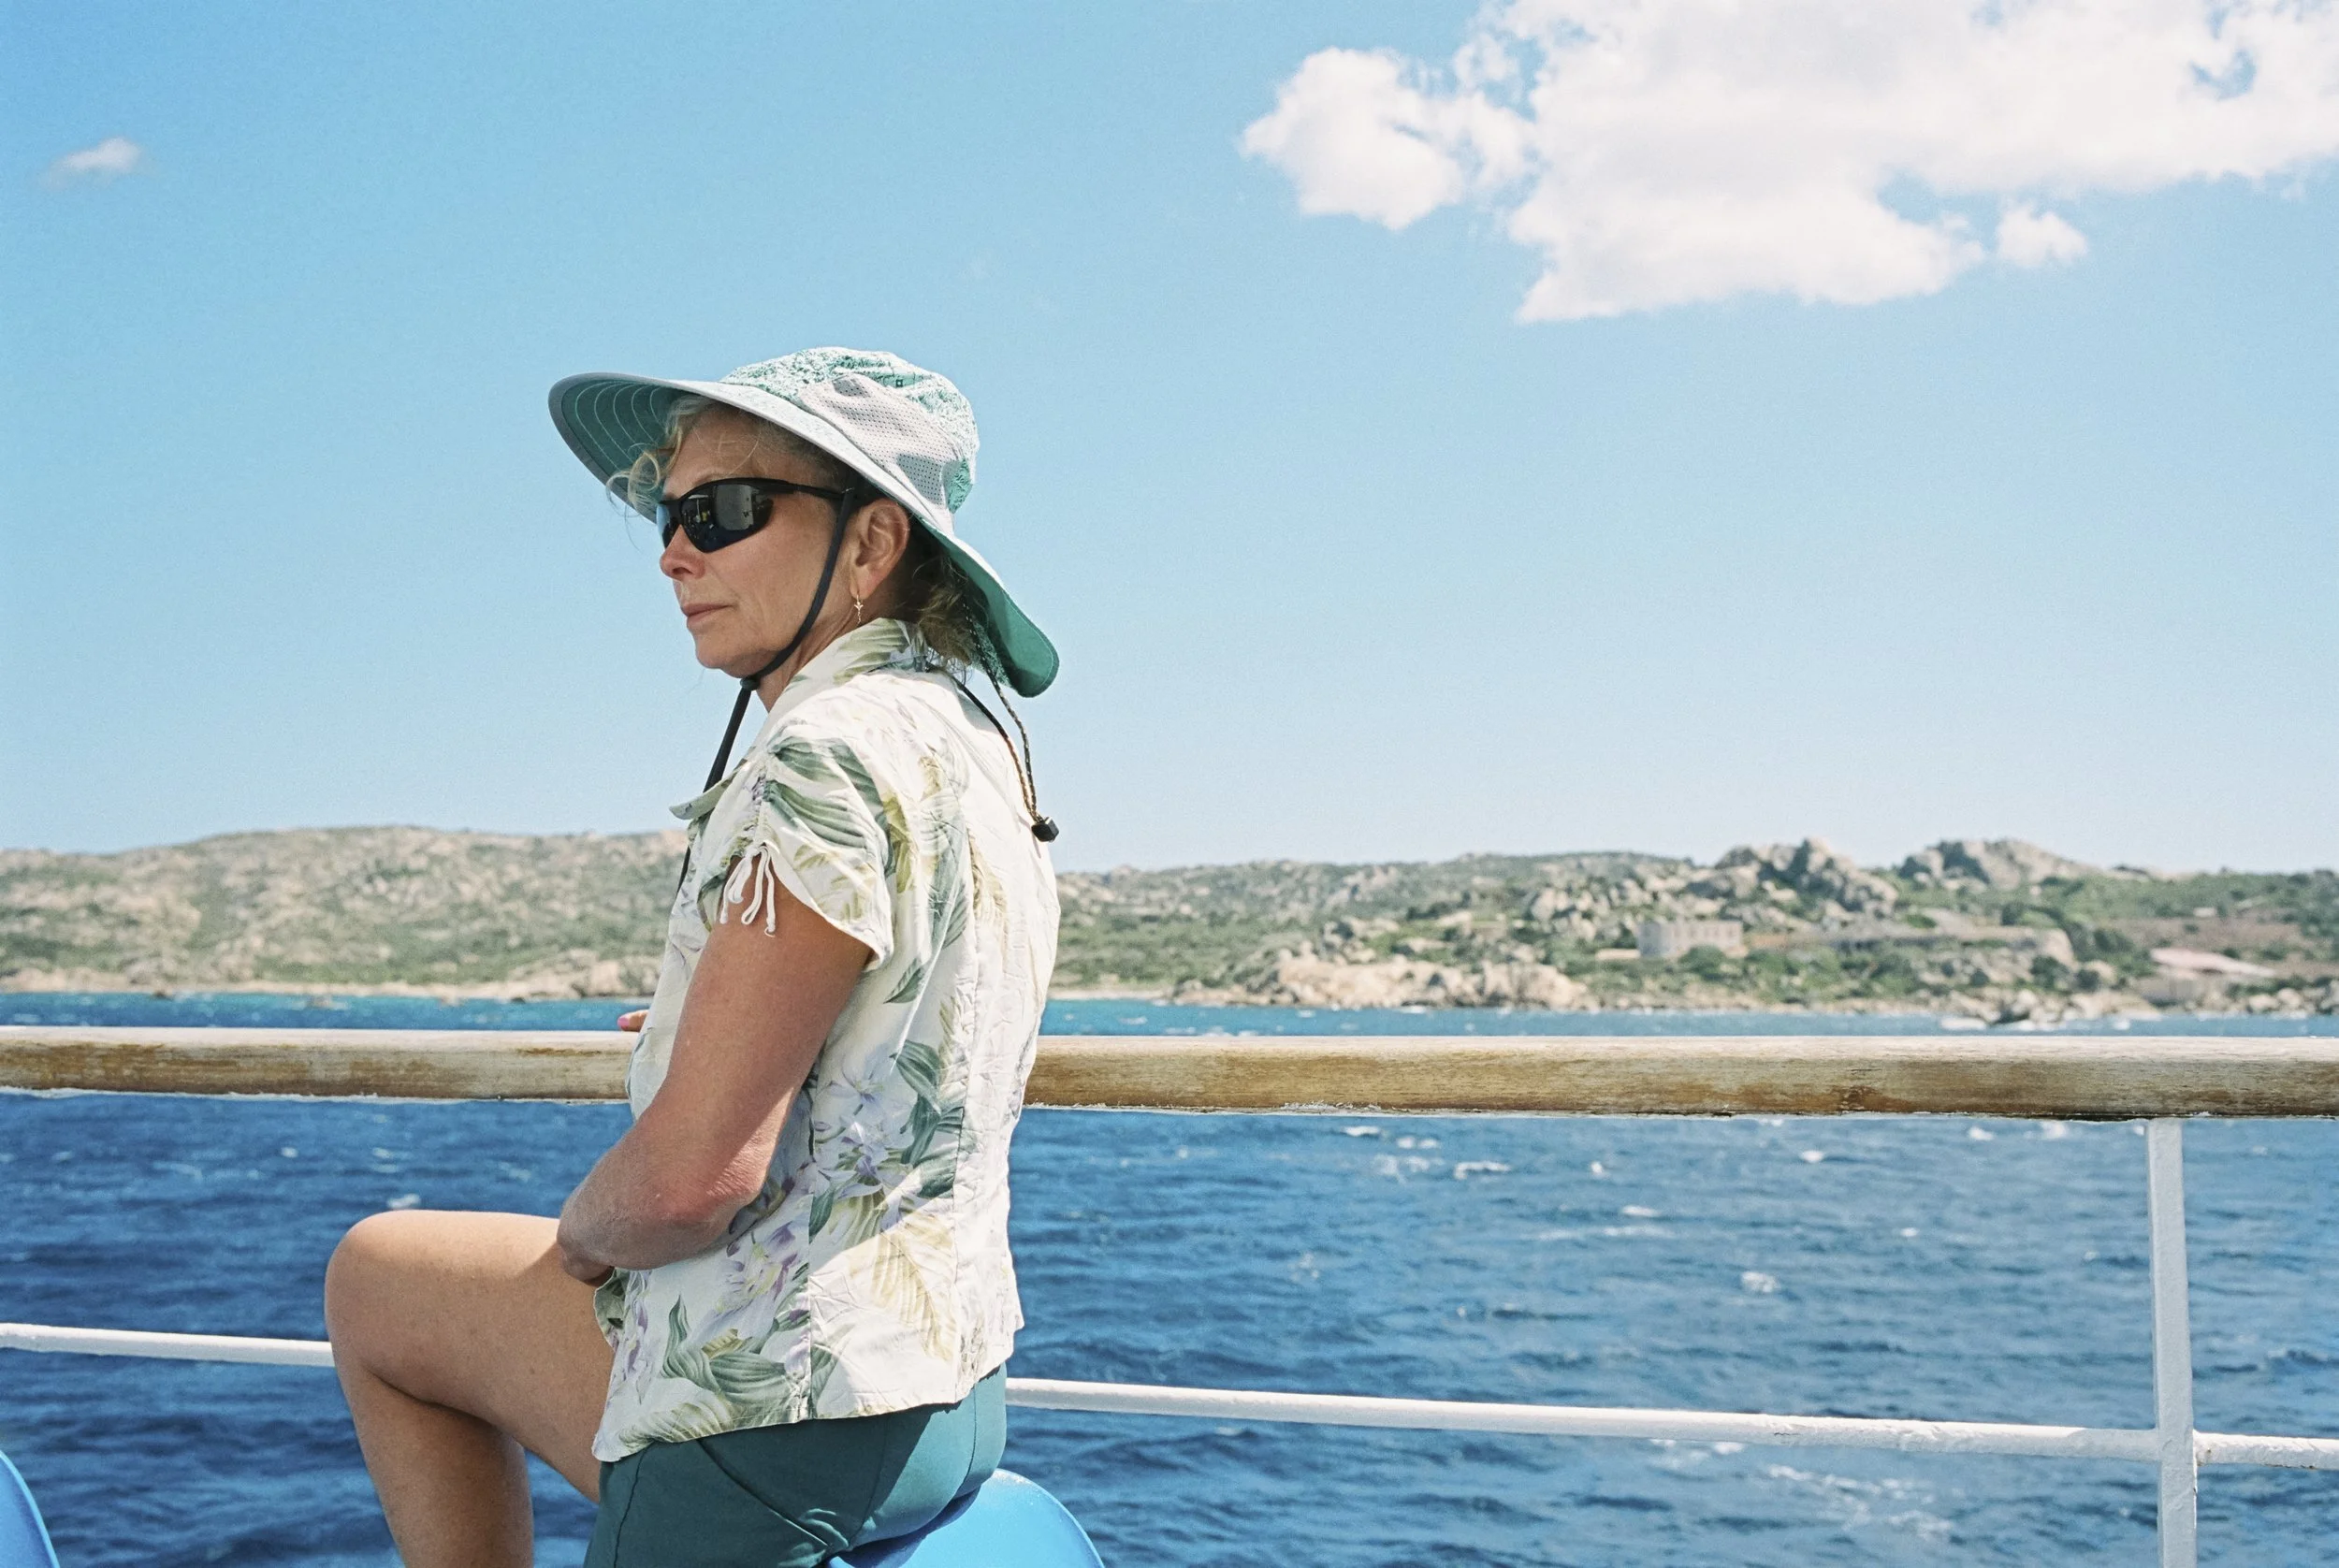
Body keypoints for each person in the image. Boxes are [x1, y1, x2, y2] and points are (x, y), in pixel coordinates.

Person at [323, 348, 1061, 1567]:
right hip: (938, 1386)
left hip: (775, 1416)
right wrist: (708, 1019)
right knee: (383, 1282)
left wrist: (586, 1233)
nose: (675, 554)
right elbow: (904, 1002)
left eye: (721, 512)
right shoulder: (975, 738)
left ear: (872, 544)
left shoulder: (823, 753)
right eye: (668, 519)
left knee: (473, 1265)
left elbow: (690, 1185)